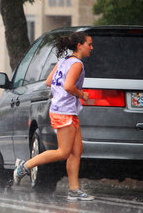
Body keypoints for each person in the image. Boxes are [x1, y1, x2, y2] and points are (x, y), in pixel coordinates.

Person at [13, 32, 94, 201]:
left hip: (65, 110)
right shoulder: (77, 63)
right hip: (64, 111)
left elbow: (49, 81)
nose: (91, 48)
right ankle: (24, 166)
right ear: (79, 45)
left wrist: (60, 93)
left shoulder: (63, 61)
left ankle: (74, 190)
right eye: (89, 44)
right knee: (63, 152)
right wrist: (82, 95)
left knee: (76, 150)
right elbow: (69, 86)